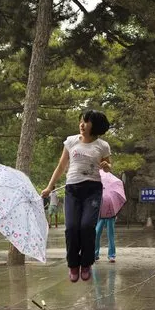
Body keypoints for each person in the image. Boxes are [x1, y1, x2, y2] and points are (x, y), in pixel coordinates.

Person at [41, 110, 111, 283]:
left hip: (93, 190)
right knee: (71, 227)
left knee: (87, 226)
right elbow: (61, 166)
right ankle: (73, 264)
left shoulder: (103, 146)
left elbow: (109, 167)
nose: (82, 124)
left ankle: (86, 263)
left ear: (95, 126)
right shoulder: (71, 141)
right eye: (81, 121)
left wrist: (106, 165)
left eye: (86, 122)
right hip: (72, 189)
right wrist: (50, 187)